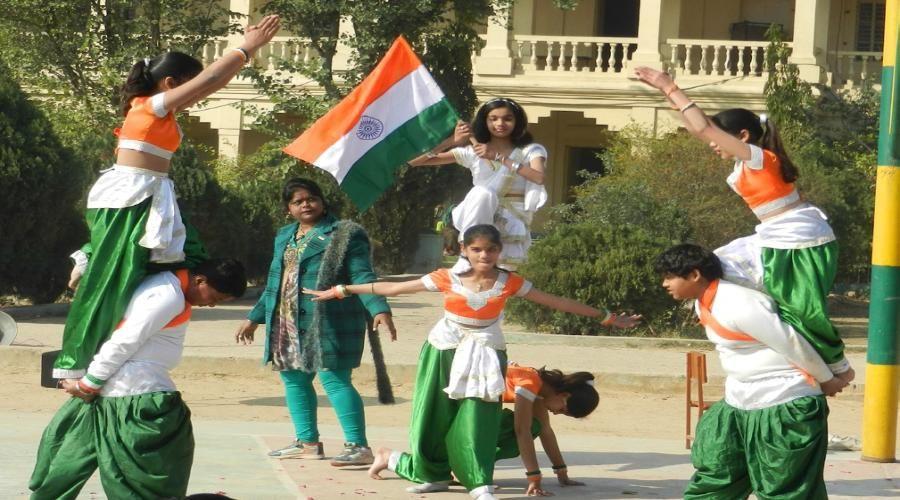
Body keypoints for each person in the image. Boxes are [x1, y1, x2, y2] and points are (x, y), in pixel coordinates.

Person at [305, 224, 640, 500]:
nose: (484, 255)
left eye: (491, 250)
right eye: (477, 249)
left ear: (499, 252)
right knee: (432, 413)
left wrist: (608, 317)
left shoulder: (510, 282)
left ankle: (478, 481)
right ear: (464, 249)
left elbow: (558, 302)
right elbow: (393, 288)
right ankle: (431, 474)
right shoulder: (445, 278)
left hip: (486, 351)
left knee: (479, 416)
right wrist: (343, 290)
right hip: (443, 348)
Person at [56, 15, 281, 380]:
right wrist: (245, 47)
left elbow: (210, 84)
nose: (193, 93)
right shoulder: (148, 105)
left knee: (187, 253)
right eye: (185, 86)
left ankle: (95, 259)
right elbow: (208, 80)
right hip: (130, 197)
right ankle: (75, 362)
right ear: (170, 83)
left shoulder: (164, 110)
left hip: (152, 194)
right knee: (111, 277)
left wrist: (245, 57)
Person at [634, 66, 853, 383]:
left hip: (800, 239)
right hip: (773, 236)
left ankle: (839, 369)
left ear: (743, 137)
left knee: (803, 309)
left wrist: (669, 87)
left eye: (720, 138)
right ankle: (749, 329)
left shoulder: (759, 157)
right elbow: (704, 129)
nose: (712, 144)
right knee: (717, 265)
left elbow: (703, 129)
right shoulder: (745, 162)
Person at [30, 258, 247, 500]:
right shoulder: (167, 296)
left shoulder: (166, 285)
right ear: (200, 280)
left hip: (114, 393)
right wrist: (88, 384)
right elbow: (124, 340)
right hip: (134, 400)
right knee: (148, 478)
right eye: (215, 298)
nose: (212, 305)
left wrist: (90, 384)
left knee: (67, 464)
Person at [654, 243, 848, 499]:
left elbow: (791, 342)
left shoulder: (739, 302)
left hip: (782, 402)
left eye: (669, 276)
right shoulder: (703, 303)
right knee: (716, 478)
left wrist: (828, 379)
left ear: (694, 275)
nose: (664, 284)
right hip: (739, 404)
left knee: (784, 488)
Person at [234, 178, 397, 467]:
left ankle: (358, 446)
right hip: (286, 319)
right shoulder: (285, 235)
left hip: (328, 320)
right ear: (288, 209)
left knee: (334, 379)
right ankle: (307, 443)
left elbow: (361, 275)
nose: (306, 204)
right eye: (297, 201)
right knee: (294, 379)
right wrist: (254, 318)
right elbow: (277, 281)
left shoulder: (345, 233)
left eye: (311, 198)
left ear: (322, 201)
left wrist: (378, 308)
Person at [409, 97, 548, 271]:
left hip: (511, 218)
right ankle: (467, 254)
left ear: (517, 122)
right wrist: (451, 141)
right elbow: (415, 162)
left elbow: (538, 178)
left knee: (504, 279)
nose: (500, 123)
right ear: (485, 121)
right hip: (477, 214)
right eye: (493, 118)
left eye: (507, 118)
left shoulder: (530, 150)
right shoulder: (472, 153)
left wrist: (499, 158)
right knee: (483, 193)